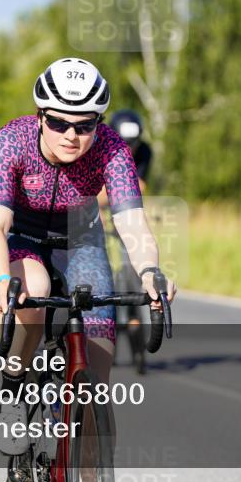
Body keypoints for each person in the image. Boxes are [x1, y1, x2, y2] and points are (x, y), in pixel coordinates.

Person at [0, 57, 177, 459]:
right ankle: (14, 386)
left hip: (80, 241)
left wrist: (150, 271)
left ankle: (92, 474)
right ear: (40, 116)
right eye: (58, 123)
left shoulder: (111, 148)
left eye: (84, 125)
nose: (71, 135)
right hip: (21, 237)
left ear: (99, 123)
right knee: (35, 291)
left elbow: (133, 223)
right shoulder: (9, 142)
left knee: (97, 377)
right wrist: (1, 281)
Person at [103, 109, 154, 371]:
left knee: (131, 265)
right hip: (99, 208)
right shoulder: (101, 146)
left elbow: (137, 187)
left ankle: (133, 317)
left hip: (126, 207)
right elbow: (96, 193)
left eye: (134, 145)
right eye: (126, 145)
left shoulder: (145, 151)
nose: (131, 151)